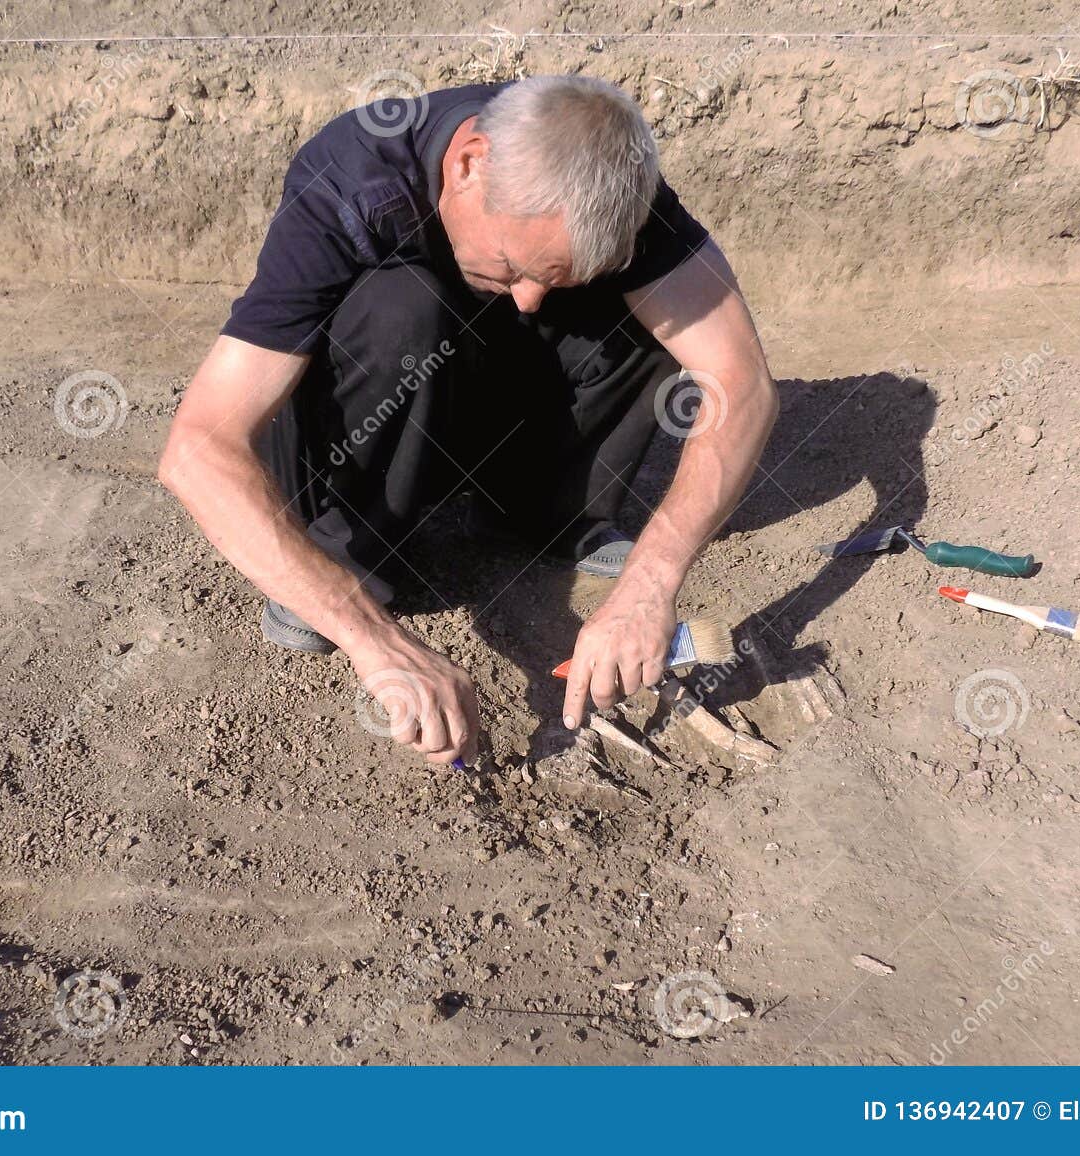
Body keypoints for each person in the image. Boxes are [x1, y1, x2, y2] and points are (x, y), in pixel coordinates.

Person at [159, 74, 777, 768]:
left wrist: (650, 584)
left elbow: (742, 380)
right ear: (466, 165)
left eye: (551, 276)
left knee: (668, 318)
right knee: (404, 306)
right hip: (359, 428)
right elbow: (198, 448)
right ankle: (343, 557)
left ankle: (540, 508)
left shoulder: (607, 177)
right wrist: (378, 642)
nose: (530, 300)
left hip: (477, 396)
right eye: (515, 264)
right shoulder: (350, 181)